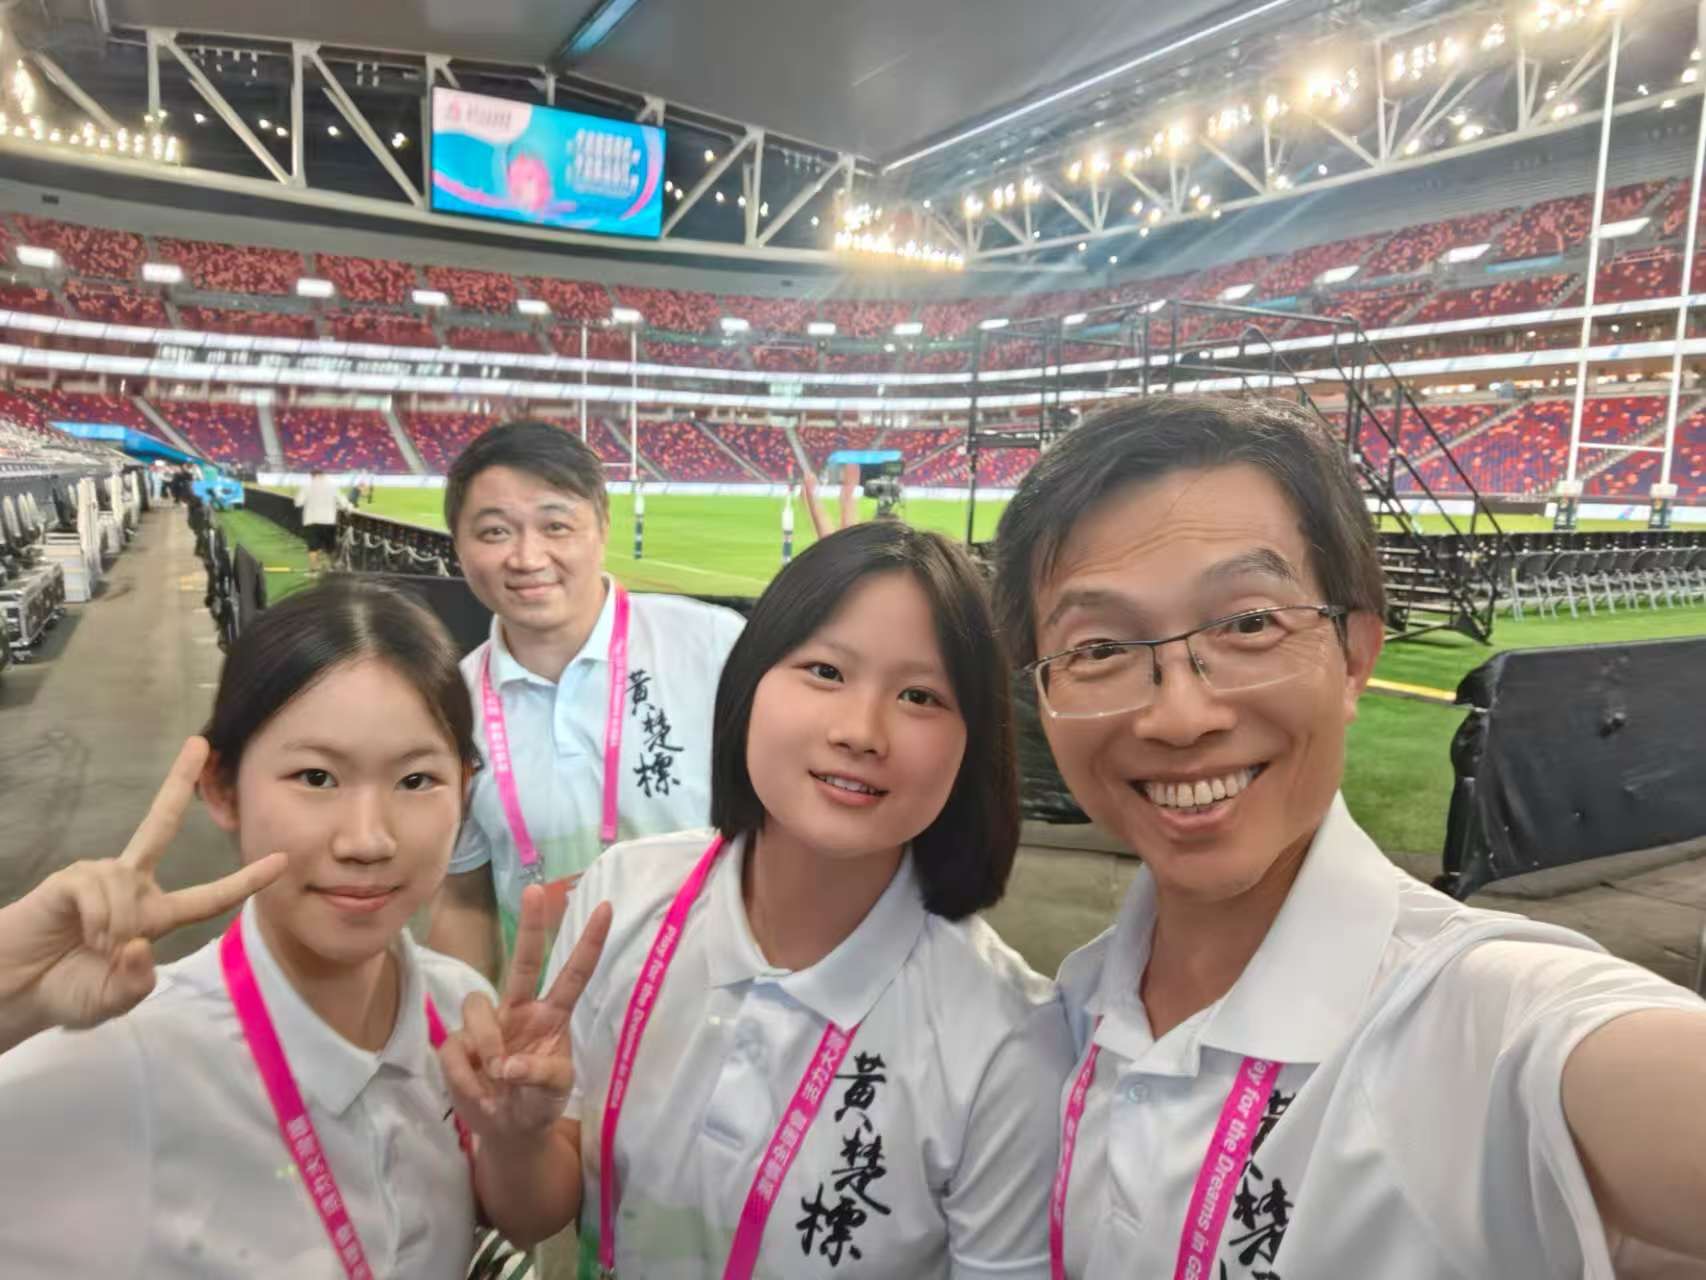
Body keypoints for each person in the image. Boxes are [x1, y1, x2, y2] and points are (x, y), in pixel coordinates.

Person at [988, 395, 1706, 1278]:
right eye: (1099, 648)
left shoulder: (1482, 1019)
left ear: (1355, 653)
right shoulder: (1070, 1011)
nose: (1179, 716)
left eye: (1248, 623)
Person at [443, 521, 1076, 1276]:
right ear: (747, 685)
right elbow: (541, 1209)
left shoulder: (1010, 1042)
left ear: (974, 745)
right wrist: (515, 1138)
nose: (861, 732)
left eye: (919, 695)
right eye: (825, 671)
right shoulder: (624, 896)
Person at [0, 579, 502, 1277]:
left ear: (465, 788)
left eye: (416, 780)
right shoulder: (127, 1057)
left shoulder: (463, 1010)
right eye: (316, 777)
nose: (368, 839)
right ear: (222, 789)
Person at [427, 420, 745, 983]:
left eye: (556, 525)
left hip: (713, 1006)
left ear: (602, 526)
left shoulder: (716, 646)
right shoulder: (449, 706)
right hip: (549, 1019)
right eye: (494, 532)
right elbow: (464, 899)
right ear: (458, 544)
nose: (527, 557)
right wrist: (469, 1013)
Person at [0, 741, 287, 1057]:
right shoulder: (133, 1050)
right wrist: (12, 991)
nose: (344, 843)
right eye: (315, 777)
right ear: (223, 792)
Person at [293, 466, 347, 574]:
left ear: (312, 475)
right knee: (330, 546)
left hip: (311, 520)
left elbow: (298, 503)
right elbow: (343, 502)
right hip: (329, 520)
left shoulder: (307, 486)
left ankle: (314, 570)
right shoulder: (332, 485)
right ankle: (332, 568)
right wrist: (347, 508)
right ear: (323, 474)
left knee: (312, 546)